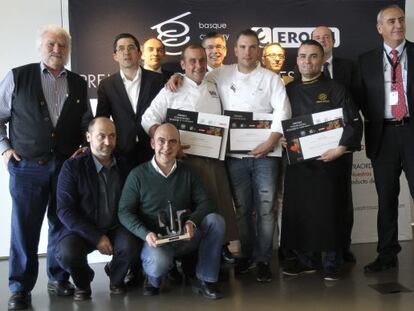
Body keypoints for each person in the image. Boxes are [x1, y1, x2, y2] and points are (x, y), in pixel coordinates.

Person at [167, 29, 291, 282]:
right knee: (243, 209)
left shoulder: (271, 79)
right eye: (243, 47)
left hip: (267, 154)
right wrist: (176, 76)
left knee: (266, 209)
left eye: (253, 47)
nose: (248, 52)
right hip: (234, 155)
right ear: (234, 50)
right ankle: (245, 256)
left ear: (259, 50)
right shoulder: (220, 73)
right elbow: (194, 75)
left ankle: (264, 259)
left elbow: (283, 111)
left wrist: (269, 142)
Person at [0, 25, 92, 310]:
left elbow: (85, 123)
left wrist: (87, 143)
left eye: (62, 45)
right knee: (24, 229)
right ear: (41, 47)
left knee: (61, 225)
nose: (57, 49)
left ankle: (58, 278)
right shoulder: (17, 76)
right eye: (51, 44)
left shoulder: (78, 83)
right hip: (26, 166)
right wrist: (5, 148)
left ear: (68, 50)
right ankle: (20, 289)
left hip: (66, 168)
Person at [142, 43, 237, 264]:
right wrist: (166, 141)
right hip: (183, 161)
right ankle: (184, 255)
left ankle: (220, 246)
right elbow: (148, 118)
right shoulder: (173, 87)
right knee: (187, 209)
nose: (198, 65)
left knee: (217, 202)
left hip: (213, 158)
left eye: (202, 60)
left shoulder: (214, 84)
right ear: (182, 64)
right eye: (192, 61)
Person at [281, 40, 362, 281]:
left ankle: (331, 262)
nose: (308, 61)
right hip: (298, 164)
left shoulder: (337, 89)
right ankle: (305, 260)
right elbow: (280, 122)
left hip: (328, 163)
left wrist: (340, 149)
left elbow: (353, 123)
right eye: (303, 56)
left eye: (313, 56)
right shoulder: (288, 90)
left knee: (329, 212)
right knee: (300, 212)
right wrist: (282, 138)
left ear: (321, 59)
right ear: (297, 61)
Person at [118, 123, 225, 299]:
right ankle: (153, 280)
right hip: (156, 242)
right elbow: (124, 211)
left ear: (179, 145)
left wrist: (192, 222)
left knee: (216, 221)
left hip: (185, 238)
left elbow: (206, 203)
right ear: (152, 143)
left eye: (172, 142)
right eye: (161, 141)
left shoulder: (188, 172)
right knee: (158, 263)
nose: (166, 147)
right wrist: (145, 234)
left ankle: (206, 279)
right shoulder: (137, 175)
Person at [55, 117, 140, 301]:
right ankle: (83, 283)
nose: (108, 142)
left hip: (116, 226)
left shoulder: (125, 165)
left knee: (131, 246)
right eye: (101, 136)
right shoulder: (72, 166)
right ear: (88, 136)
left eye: (112, 136)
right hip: (83, 229)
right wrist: (96, 236)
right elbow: (64, 210)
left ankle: (116, 279)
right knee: (66, 252)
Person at [356, 5, 414, 273]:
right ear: (380, 28)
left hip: (412, 131)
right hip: (384, 136)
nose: (398, 25)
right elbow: (358, 100)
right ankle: (387, 254)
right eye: (391, 21)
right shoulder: (365, 60)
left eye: (401, 20)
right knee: (387, 198)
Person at [312, 25, 358, 263]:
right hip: (312, 147)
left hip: (342, 144)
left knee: (342, 198)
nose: (322, 41)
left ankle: (343, 246)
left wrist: (346, 142)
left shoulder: (349, 68)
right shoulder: (302, 69)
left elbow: (358, 101)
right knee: (316, 199)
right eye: (317, 38)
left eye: (326, 38)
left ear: (333, 41)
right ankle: (317, 248)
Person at [96, 33, 164, 171]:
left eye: (131, 47)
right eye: (121, 49)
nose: (126, 52)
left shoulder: (158, 80)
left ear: (139, 53)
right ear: (115, 56)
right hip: (122, 152)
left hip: (154, 149)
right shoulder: (106, 85)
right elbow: (101, 119)